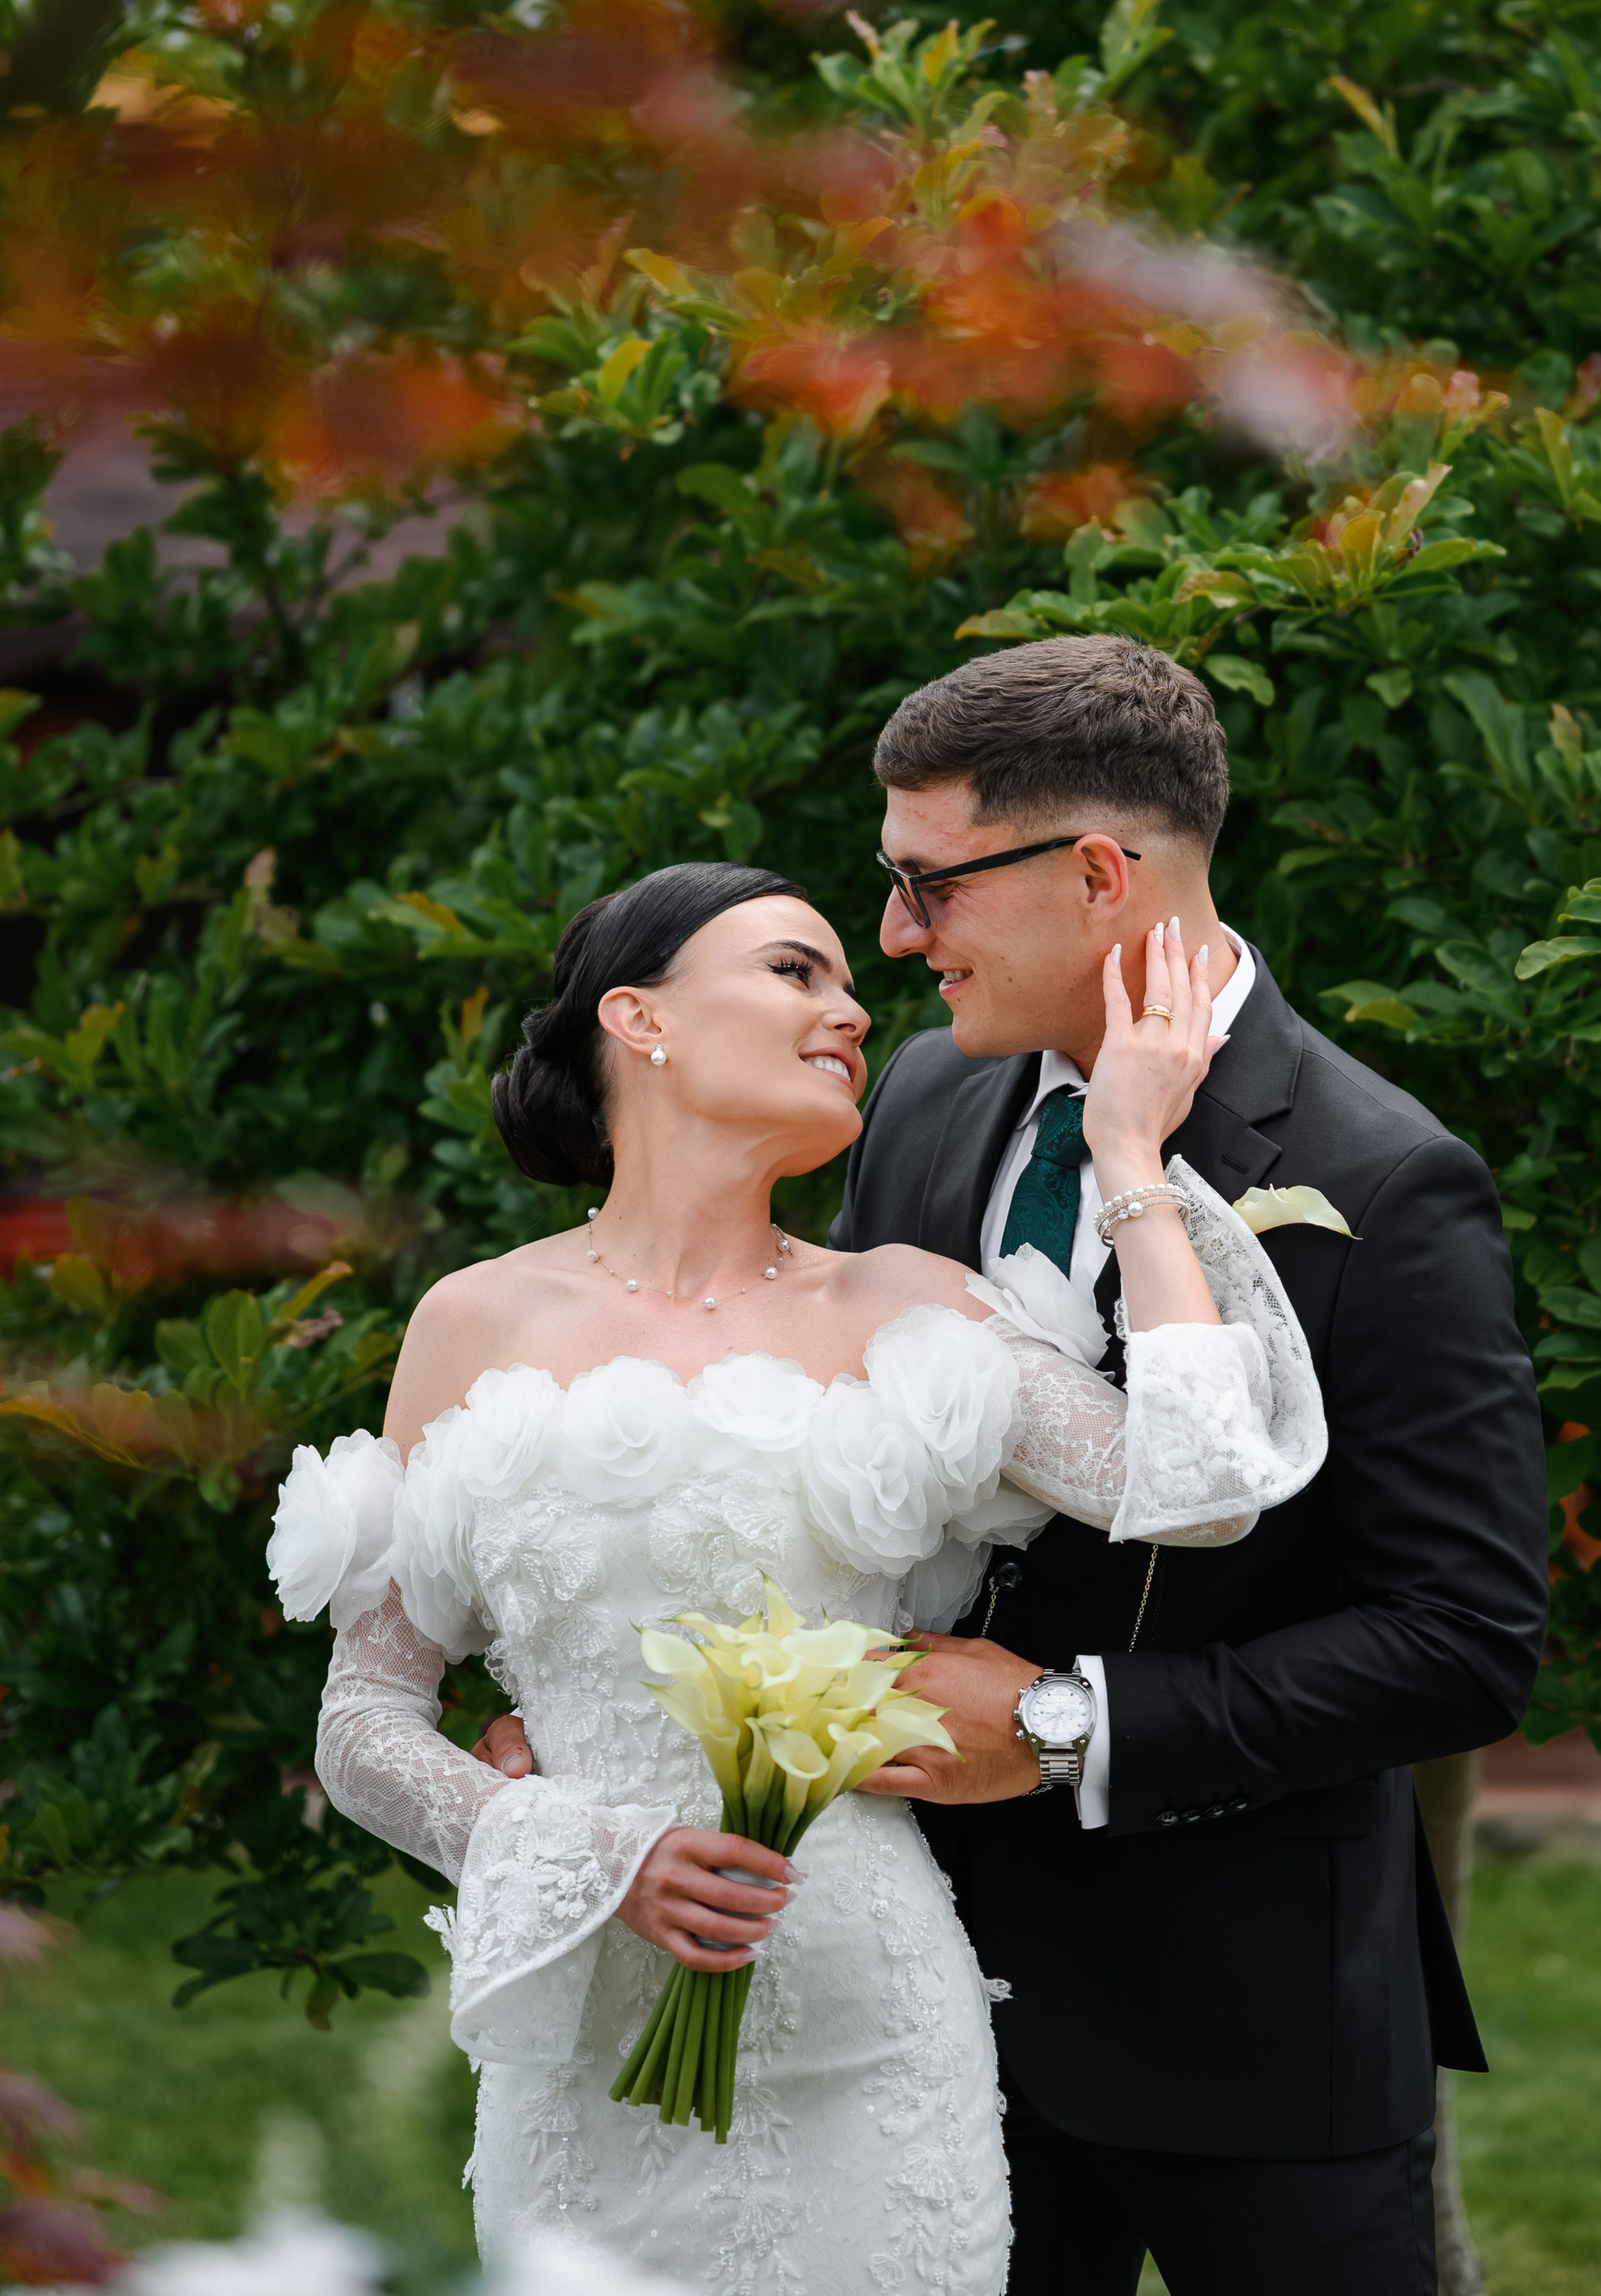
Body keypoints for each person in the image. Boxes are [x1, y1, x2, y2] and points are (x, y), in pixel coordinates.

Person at [266, 858, 1324, 2294]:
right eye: (795, 971)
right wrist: (599, 1857)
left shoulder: (910, 1305)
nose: (849, 1011)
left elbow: (1198, 1494)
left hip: (867, 2038)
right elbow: (363, 1723)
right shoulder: (474, 1319)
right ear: (638, 1019)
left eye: (846, 980)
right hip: (590, 2053)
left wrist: (1132, 1158)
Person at [830, 634, 1548, 2295]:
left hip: (1248, 2031)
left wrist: (1059, 1724)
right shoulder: (922, 1102)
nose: (892, 935)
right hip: (929, 2004)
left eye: (925, 886)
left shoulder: (1383, 1176)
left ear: (1094, 873)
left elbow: (1460, 1636)